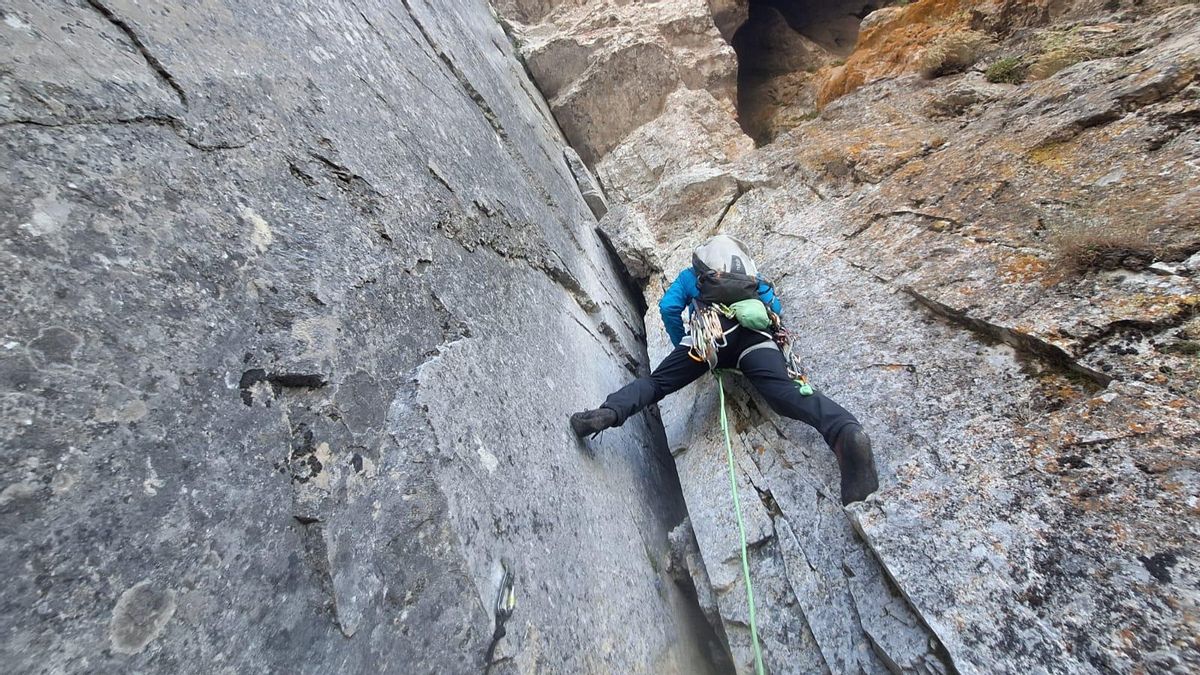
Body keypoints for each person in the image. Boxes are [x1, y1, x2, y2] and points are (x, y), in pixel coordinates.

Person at [570, 234, 879, 505]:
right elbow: (775, 309)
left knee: (657, 384)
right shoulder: (749, 276)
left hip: (711, 334)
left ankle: (608, 413)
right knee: (784, 391)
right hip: (755, 337)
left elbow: (668, 308)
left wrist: (688, 346)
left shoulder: (691, 274)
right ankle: (844, 432)